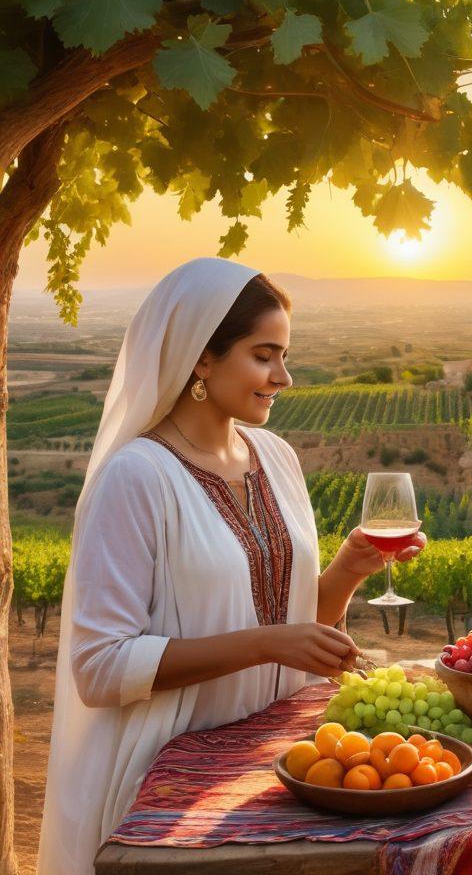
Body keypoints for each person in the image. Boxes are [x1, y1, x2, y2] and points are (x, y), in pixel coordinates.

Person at [37, 258, 425, 875]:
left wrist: (349, 568)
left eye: (285, 355)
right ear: (201, 357)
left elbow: (296, 630)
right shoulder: (137, 478)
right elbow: (100, 667)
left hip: (282, 769)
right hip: (172, 785)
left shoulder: (275, 457)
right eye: (264, 355)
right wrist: (265, 643)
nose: (285, 377)